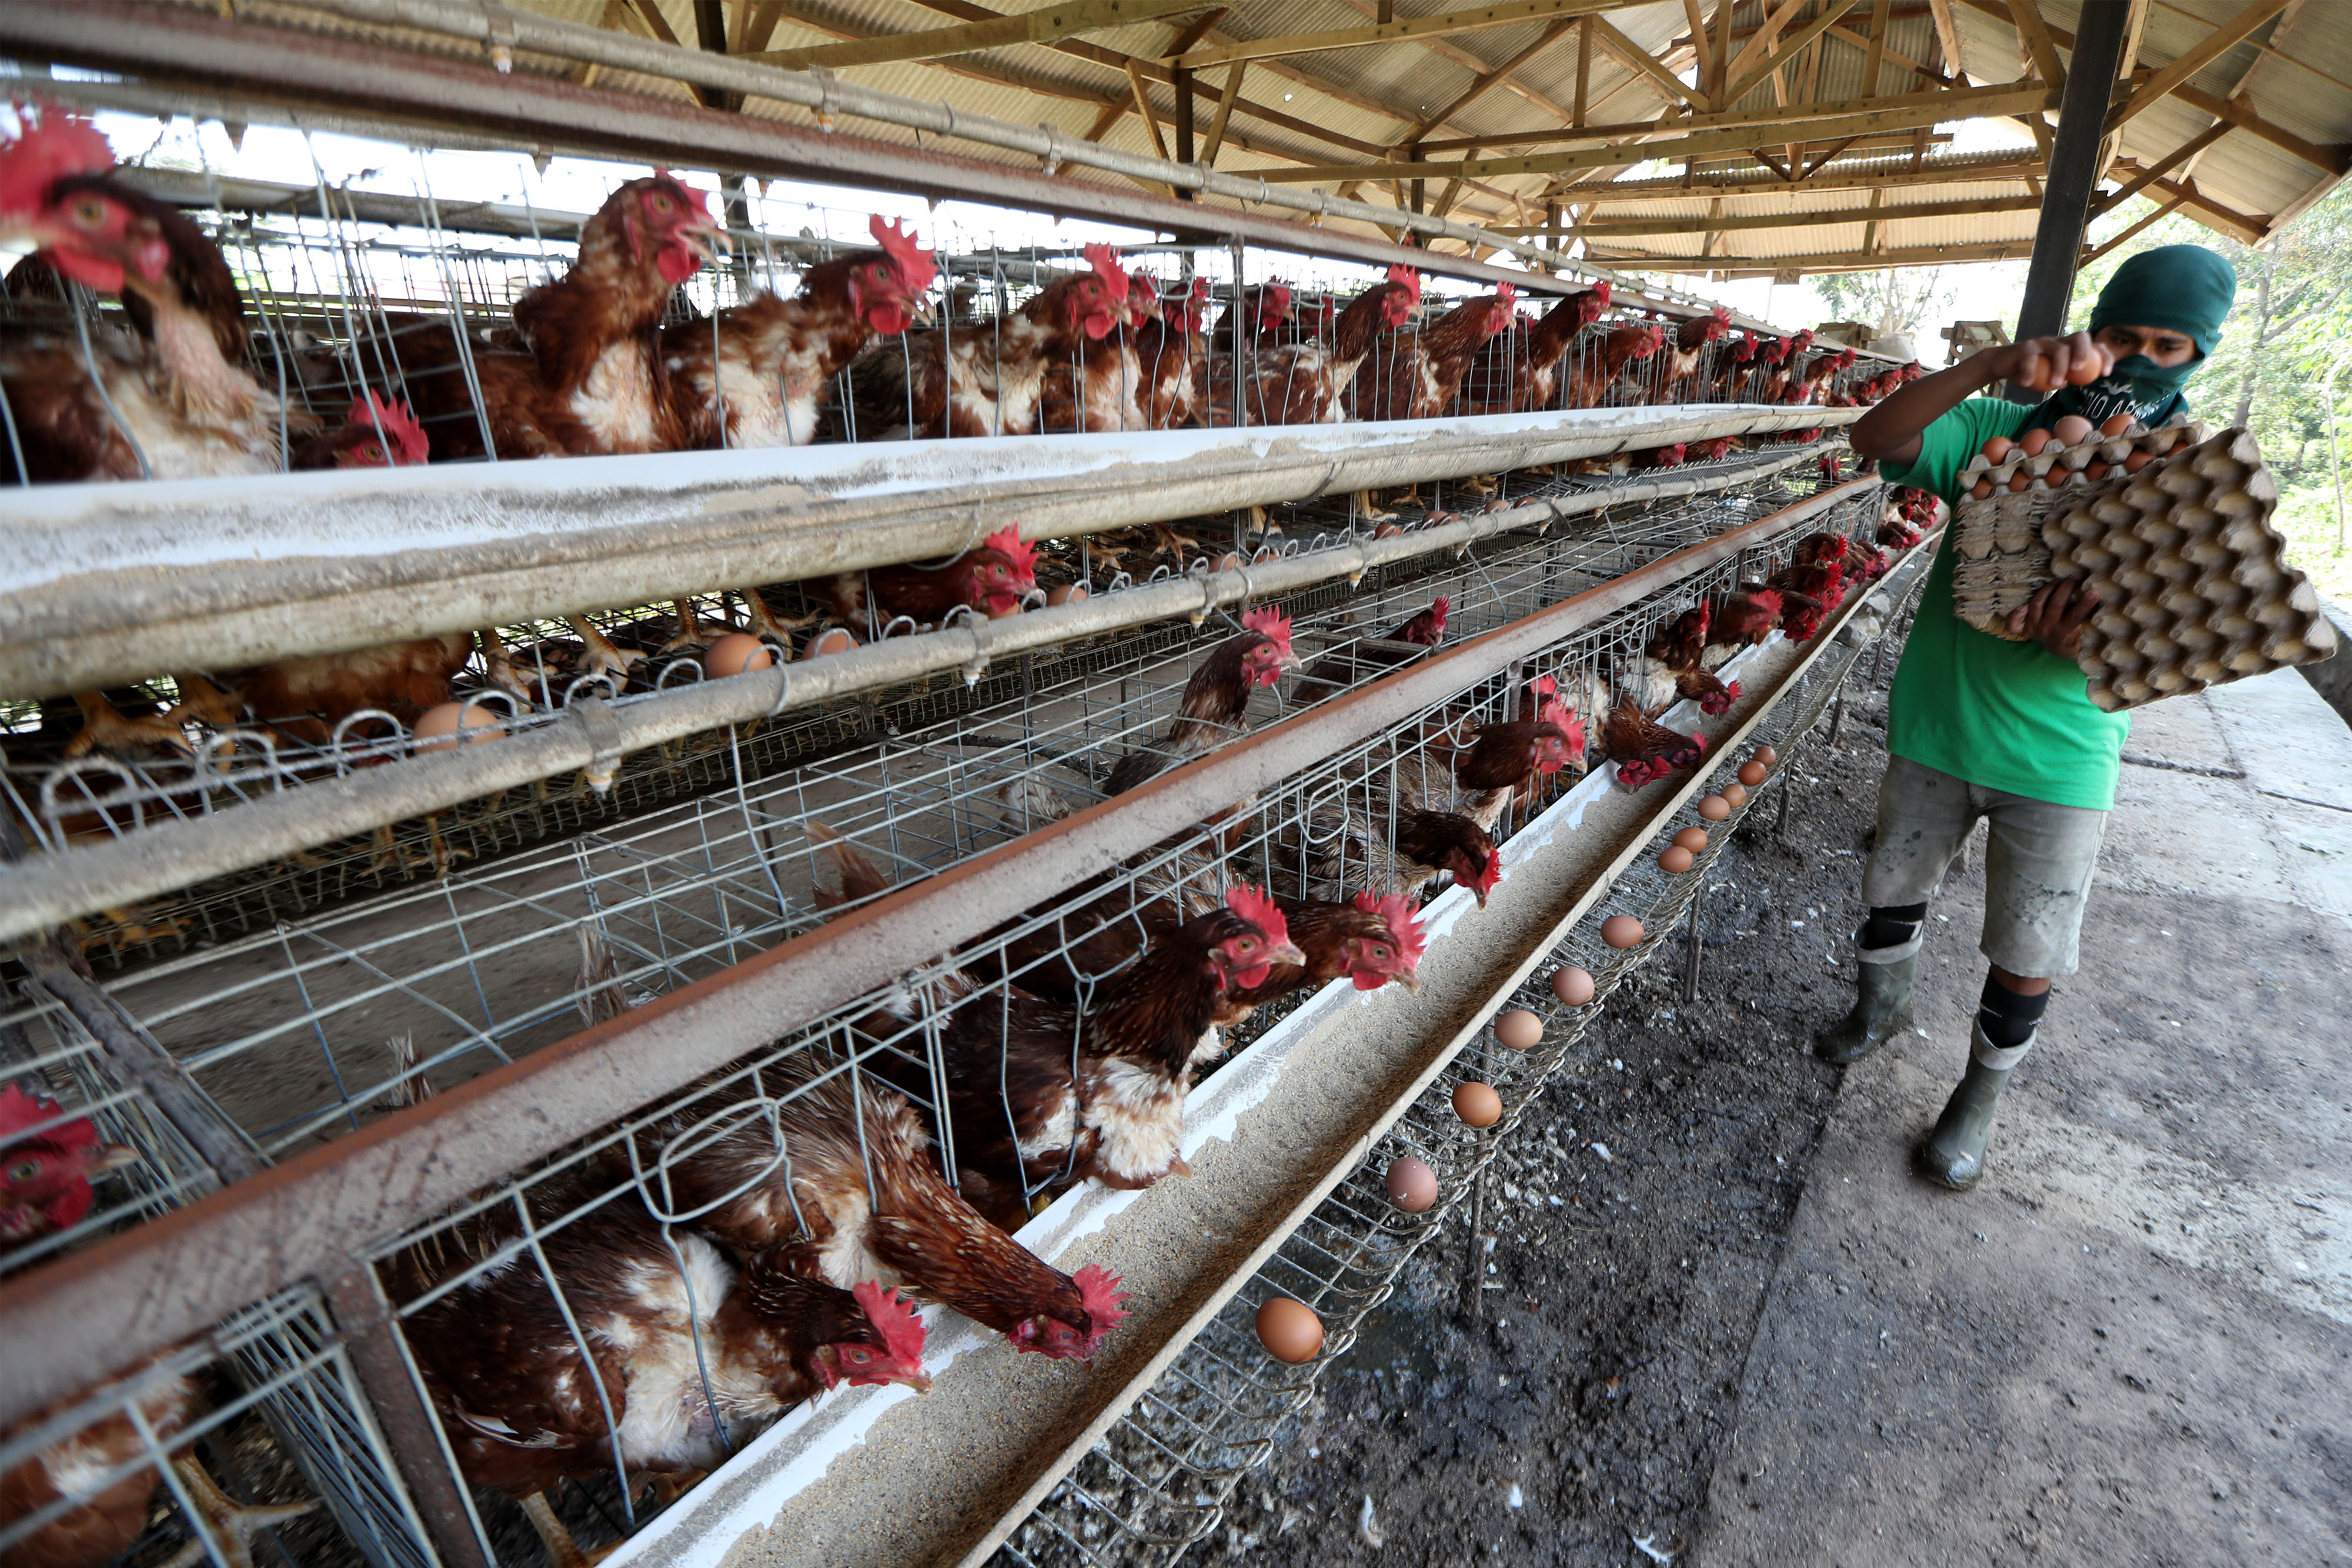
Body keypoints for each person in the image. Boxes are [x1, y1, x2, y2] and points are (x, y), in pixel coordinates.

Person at [1836, 243, 2238, 1190]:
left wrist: (2087, 647)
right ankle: (1880, 1012)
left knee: (2030, 942)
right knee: (1892, 888)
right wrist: (1987, 366)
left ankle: (1979, 1097)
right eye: (2123, 336)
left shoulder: (2192, 477)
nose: (2140, 360)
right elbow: (1873, 437)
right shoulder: (1996, 430)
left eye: (2170, 347)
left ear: (2200, 356)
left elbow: (2187, 654)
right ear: (2090, 334)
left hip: (2064, 755)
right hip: (1942, 721)